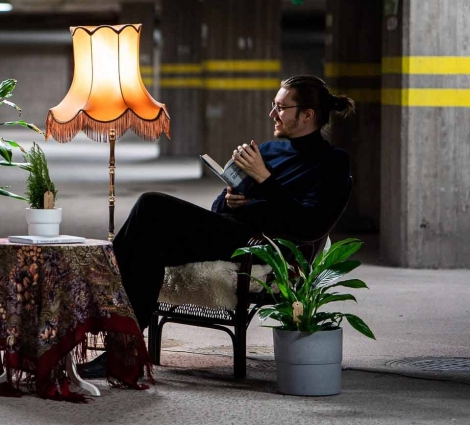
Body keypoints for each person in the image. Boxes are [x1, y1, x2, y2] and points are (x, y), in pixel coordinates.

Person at [82, 75, 356, 377]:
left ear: (307, 115)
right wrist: (230, 199)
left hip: (260, 247)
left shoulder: (332, 163)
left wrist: (264, 180)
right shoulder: (269, 151)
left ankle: (100, 301)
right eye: (273, 105)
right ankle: (123, 350)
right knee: (146, 243)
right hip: (228, 231)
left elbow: (310, 225)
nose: (272, 114)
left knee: (151, 204)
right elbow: (218, 209)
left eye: (280, 107)